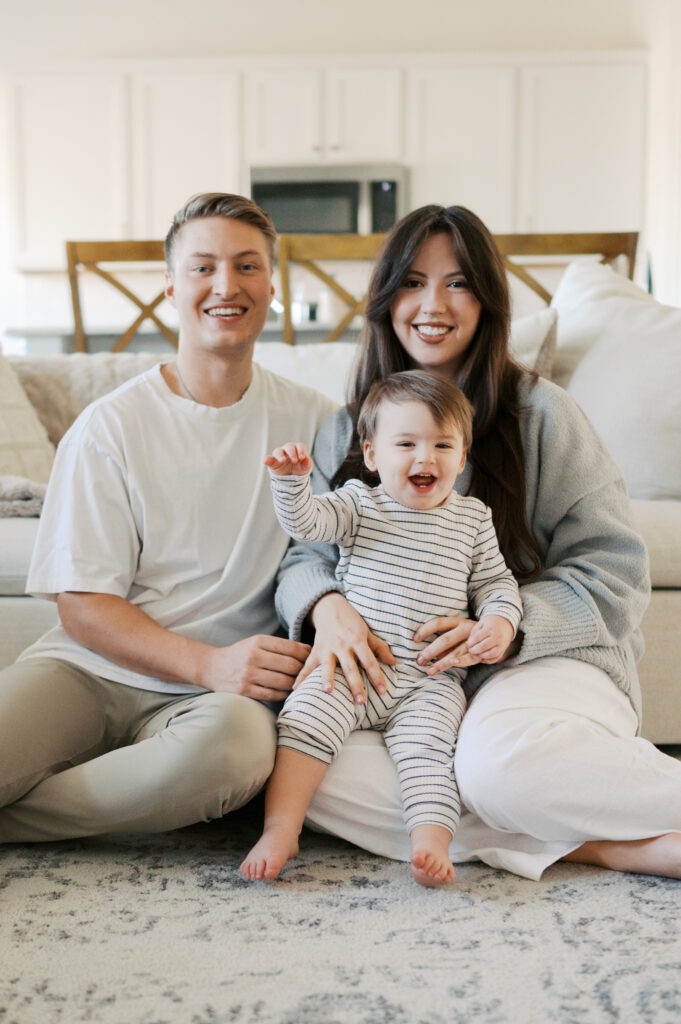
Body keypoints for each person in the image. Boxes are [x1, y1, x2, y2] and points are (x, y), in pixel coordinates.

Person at [275, 204, 681, 881]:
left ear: (488, 301)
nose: (432, 304)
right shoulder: (344, 430)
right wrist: (328, 610)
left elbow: (613, 569)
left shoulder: (540, 412)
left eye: (458, 283)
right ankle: (610, 845)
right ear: (385, 299)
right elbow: (303, 558)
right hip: (409, 681)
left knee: (496, 768)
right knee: (300, 759)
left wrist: (506, 628)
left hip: (535, 666)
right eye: (411, 281)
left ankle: (562, 809)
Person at [0, 193, 335, 843]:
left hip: (216, 708)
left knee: (236, 756)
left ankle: (16, 824)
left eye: (246, 267)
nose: (225, 286)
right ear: (170, 288)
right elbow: (84, 607)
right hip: (88, 671)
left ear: (271, 284)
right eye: (203, 267)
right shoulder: (109, 426)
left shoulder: (318, 422)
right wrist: (208, 664)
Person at [241, 370, 522, 885]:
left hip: (429, 682)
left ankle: (431, 841)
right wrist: (291, 481)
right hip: (355, 666)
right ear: (372, 455)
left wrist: (500, 621)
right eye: (406, 443)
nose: (425, 458)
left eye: (443, 445)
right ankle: (281, 827)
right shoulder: (359, 504)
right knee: (303, 719)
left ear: (462, 458)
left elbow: (497, 584)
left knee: (432, 754)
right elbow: (306, 525)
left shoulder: (473, 520)